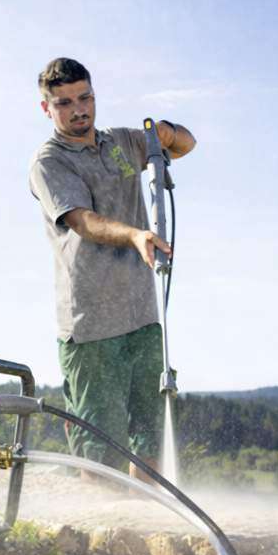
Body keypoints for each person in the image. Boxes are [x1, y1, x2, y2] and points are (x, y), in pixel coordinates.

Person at [28, 57, 196, 480]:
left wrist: (167, 133)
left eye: (84, 98)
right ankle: (102, 517)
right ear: (46, 108)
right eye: (64, 103)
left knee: (150, 440)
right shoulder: (49, 162)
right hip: (91, 327)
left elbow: (186, 145)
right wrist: (135, 235)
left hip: (142, 316)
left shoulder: (121, 143)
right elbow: (83, 221)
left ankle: (143, 515)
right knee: (100, 451)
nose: (78, 110)